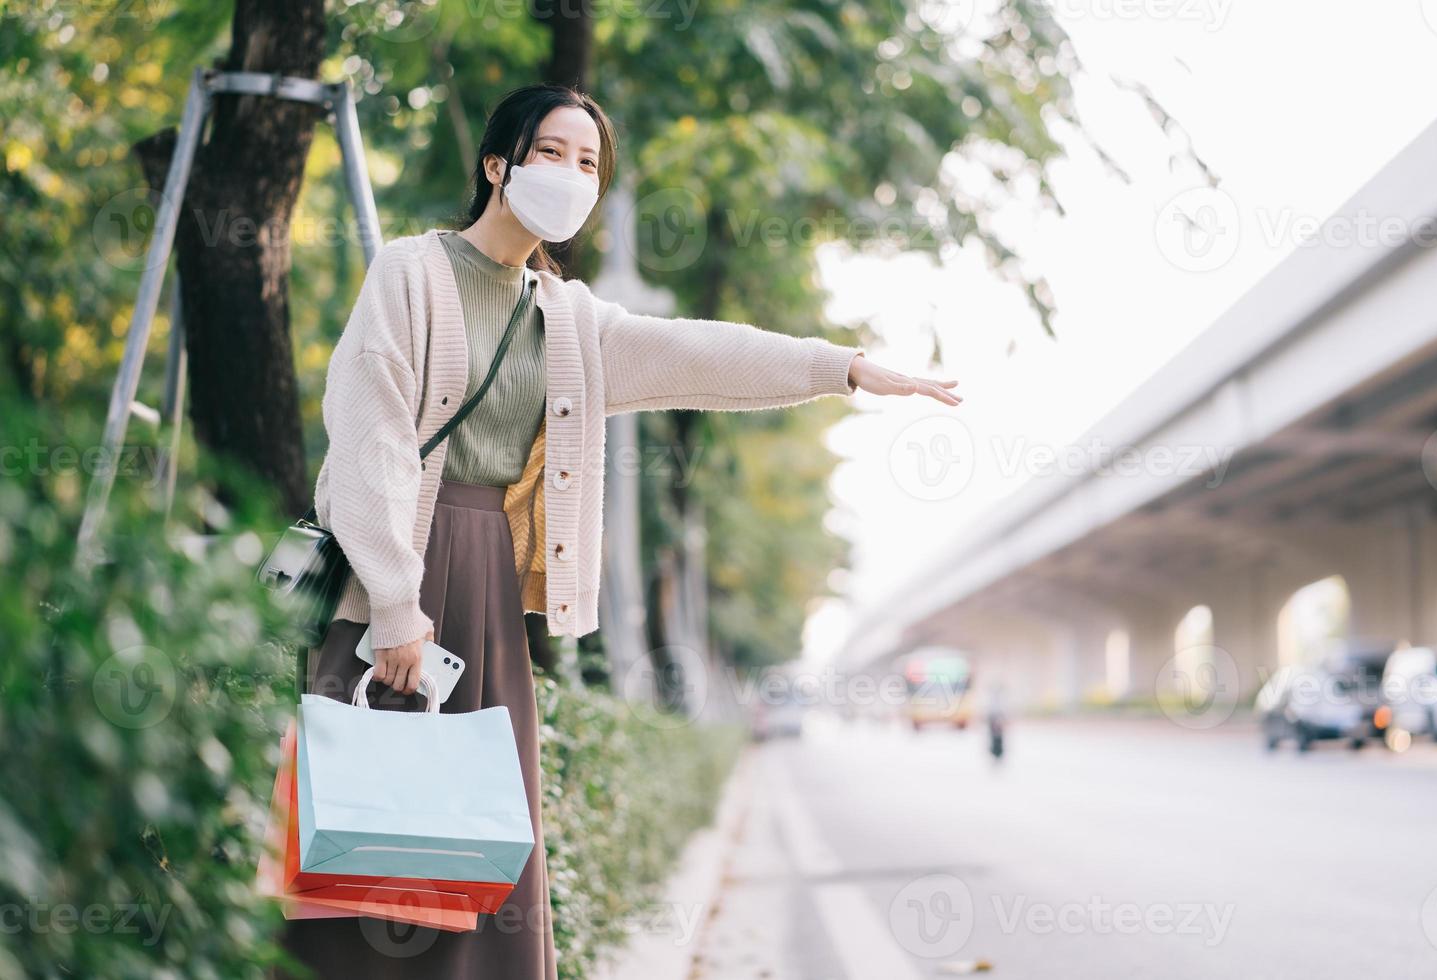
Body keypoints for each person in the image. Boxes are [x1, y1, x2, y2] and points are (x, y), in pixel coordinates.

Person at [282, 82, 962, 979]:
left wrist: (844, 369)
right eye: (552, 153)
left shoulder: (565, 317)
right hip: (396, 573)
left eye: (590, 162)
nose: (572, 174)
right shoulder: (412, 272)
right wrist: (398, 608)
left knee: (479, 829)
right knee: (369, 817)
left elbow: (697, 351)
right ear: (499, 165)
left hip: (486, 584)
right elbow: (369, 435)